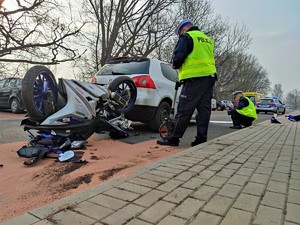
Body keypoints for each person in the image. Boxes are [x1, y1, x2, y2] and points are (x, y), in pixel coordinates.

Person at [157, 19, 217, 147]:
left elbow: (179, 55)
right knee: (203, 110)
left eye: (180, 33)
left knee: (184, 109)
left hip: (194, 78)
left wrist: (175, 64)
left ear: (183, 29)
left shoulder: (187, 36)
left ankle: (173, 138)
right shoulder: (208, 39)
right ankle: (201, 139)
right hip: (210, 77)